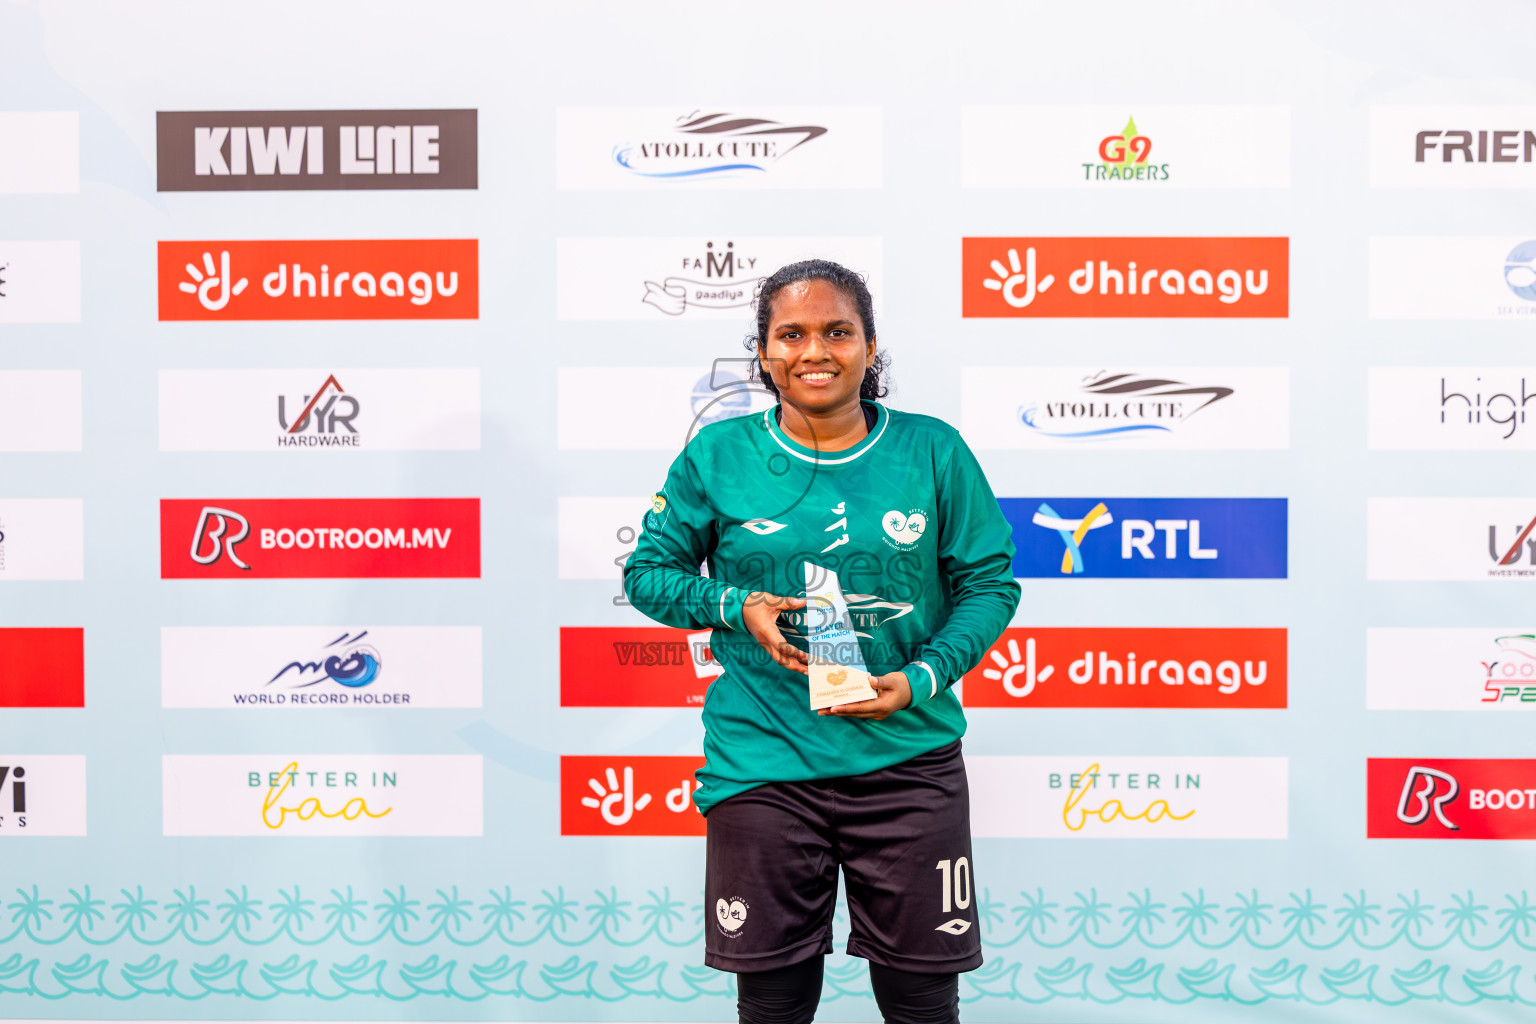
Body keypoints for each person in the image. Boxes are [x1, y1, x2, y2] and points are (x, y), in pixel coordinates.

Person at [623, 260, 1020, 1024]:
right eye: (792, 334)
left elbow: (989, 584)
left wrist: (923, 678)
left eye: (838, 331)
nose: (816, 351)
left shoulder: (933, 451)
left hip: (910, 762)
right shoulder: (718, 455)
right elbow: (649, 575)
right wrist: (737, 606)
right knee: (773, 1001)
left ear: (870, 347)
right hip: (765, 763)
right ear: (765, 353)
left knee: (921, 1002)